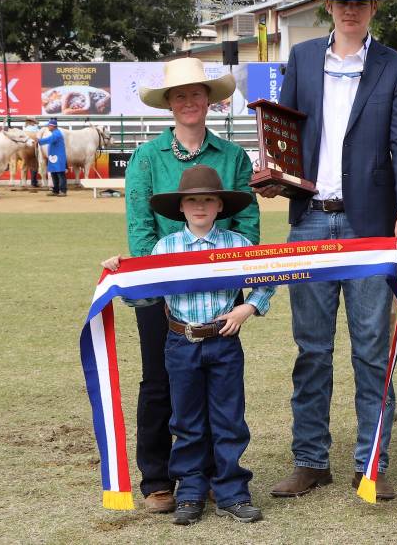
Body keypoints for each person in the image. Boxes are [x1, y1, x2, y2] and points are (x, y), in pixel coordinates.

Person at [260, 0, 397, 501]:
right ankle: (310, 460)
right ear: (328, 5)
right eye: (342, 1)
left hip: (369, 223)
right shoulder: (302, 59)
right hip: (309, 219)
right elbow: (283, 132)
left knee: (373, 349)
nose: (351, 10)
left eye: (361, 2)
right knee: (311, 348)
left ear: (373, 7)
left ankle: (369, 461)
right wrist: (275, 178)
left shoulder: (396, 67)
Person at [124, 57, 261, 514]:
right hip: (163, 284)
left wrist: (234, 273)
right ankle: (161, 478)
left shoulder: (232, 156)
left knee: (218, 389)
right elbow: (142, 226)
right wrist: (158, 276)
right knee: (161, 381)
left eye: (196, 94)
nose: (188, 102)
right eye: (179, 95)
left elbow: (248, 222)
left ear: (209, 101)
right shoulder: (146, 157)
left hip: (219, 285)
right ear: (168, 104)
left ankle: (213, 479)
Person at [102, 165, 274, 525]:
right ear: (180, 207)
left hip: (224, 342)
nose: (200, 206)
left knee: (228, 419)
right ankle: (191, 492)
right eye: (192, 200)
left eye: (208, 200)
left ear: (219, 207)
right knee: (187, 420)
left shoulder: (238, 245)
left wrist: (247, 307)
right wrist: (120, 273)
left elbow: (268, 277)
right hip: (182, 341)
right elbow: (143, 294)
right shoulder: (167, 247)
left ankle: (232, 491)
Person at [34, 118, 67, 197]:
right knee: (54, 174)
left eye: (48, 126)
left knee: (60, 174)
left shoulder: (57, 134)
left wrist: (39, 140)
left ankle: (63, 191)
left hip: (58, 158)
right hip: (53, 158)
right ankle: (55, 190)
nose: (48, 127)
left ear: (53, 126)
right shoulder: (54, 133)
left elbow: (49, 139)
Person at [22, 116, 41, 188]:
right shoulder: (36, 129)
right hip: (34, 148)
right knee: (34, 164)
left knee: (24, 164)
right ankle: (33, 182)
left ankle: (23, 183)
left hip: (24, 149)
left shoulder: (24, 130)